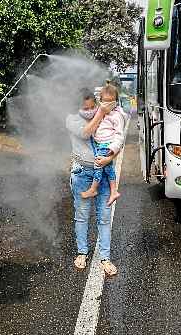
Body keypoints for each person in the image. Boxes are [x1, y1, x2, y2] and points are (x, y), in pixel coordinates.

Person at [66, 89, 120, 276]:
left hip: (103, 173)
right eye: (85, 108)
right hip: (82, 173)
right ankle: (82, 252)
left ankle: (105, 257)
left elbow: (115, 139)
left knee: (104, 218)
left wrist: (110, 157)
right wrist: (100, 113)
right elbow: (85, 133)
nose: (89, 111)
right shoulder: (72, 119)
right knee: (82, 216)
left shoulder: (107, 115)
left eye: (92, 107)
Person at [80, 84, 126, 206]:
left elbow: (120, 136)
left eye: (111, 102)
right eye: (105, 101)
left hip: (107, 145)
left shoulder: (117, 115)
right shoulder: (100, 112)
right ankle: (114, 191)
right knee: (109, 169)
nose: (107, 104)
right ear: (100, 101)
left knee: (98, 166)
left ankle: (93, 189)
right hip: (99, 144)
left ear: (116, 101)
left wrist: (112, 150)